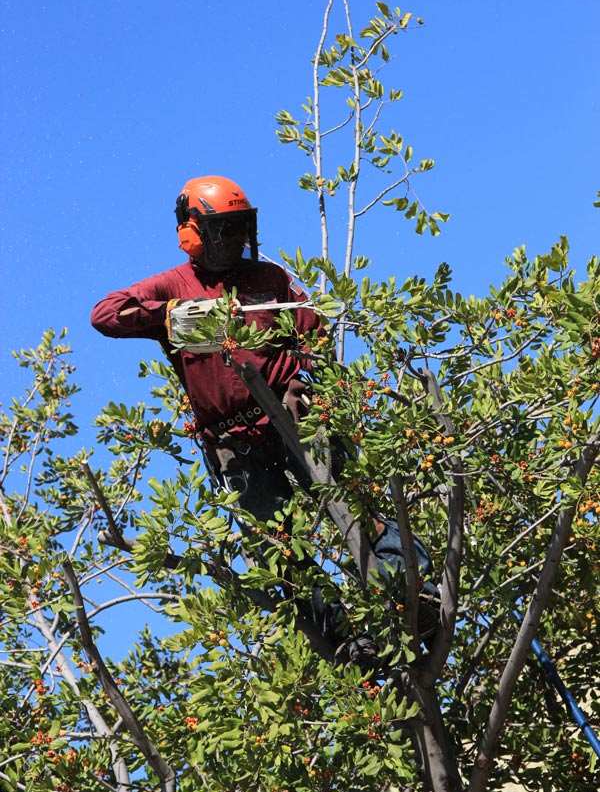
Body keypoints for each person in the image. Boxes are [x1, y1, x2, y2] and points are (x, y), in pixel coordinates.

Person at [91, 175, 439, 661]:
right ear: (191, 230)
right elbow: (105, 313)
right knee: (281, 550)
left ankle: (415, 598)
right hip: (235, 441)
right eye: (221, 229)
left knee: (357, 510)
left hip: (295, 416)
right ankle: (348, 638)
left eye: (239, 228)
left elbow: (313, 333)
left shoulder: (270, 279)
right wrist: (168, 316)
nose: (233, 240)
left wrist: (300, 382)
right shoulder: (174, 284)